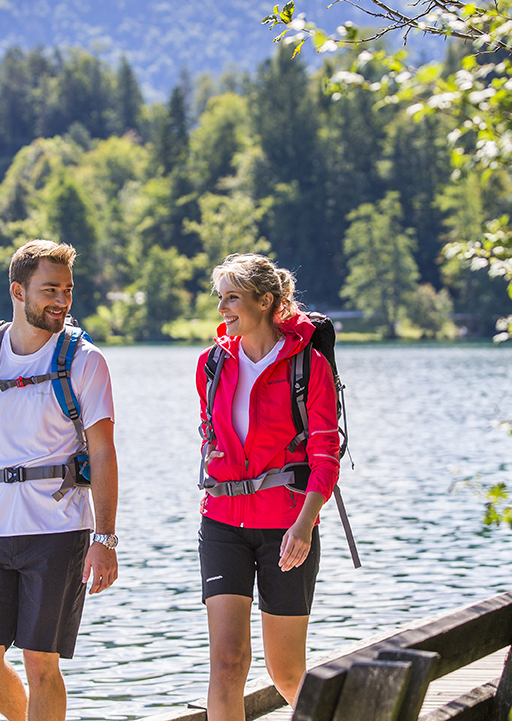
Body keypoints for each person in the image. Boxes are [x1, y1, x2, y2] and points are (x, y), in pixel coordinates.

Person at [0, 239, 119, 721]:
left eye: (67, 290)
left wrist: (105, 538)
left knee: (40, 663)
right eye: (50, 289)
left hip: (59, 531)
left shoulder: (85, 360)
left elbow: (103, 451)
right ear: (17, 290)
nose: (62, 300)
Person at [195, 253, 340, 720]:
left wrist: (305, 523)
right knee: (227, 663)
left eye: (232, 298)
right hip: (222, 524)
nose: (223, 308)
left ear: (265, 301)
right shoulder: (211, 364)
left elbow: (325, 457)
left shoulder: (308, 366)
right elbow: (211, 432)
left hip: (287, 528)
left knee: (287, 672)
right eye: (221, 298)